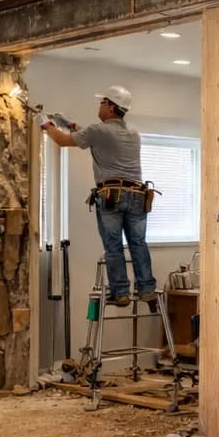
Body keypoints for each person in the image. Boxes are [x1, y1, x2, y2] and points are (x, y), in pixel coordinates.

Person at [40, 86, 156, 307]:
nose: (99, 106)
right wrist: (73, 126)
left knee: (113, 245)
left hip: (113, 195)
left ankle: (121, 292)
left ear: (111, 107)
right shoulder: (132, 132)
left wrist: (45, 124)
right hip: (138, 196)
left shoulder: (98, 130)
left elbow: (63, 141)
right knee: (138, 243)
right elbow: (98, 139)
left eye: (102, 103)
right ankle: (147, 289)